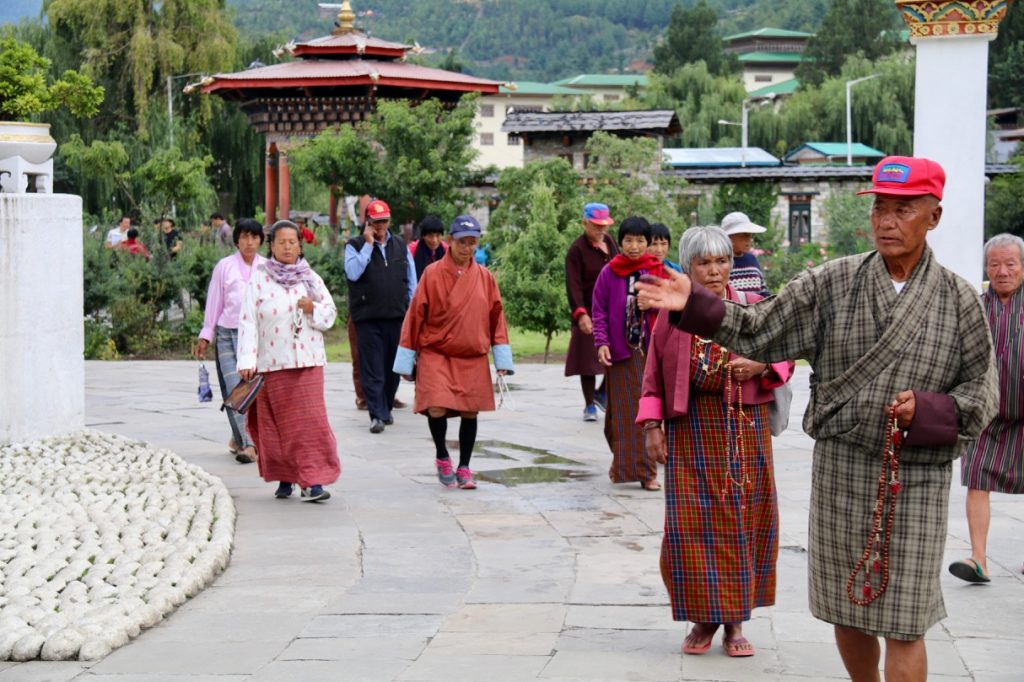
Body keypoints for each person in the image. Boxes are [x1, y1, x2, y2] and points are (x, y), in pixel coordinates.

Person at [635, 156, 998, 681]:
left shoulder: (961, 301)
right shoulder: (833, 282)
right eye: (879, 208)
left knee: (906, 621)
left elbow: (982, 394)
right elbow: (762, 328)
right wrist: (697, 304)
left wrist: (930, 411)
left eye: (903, 210)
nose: (886, 221)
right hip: (842, 470)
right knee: (847, 611)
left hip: (914, 475)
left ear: (934, 217)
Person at [638, 225, 794, 657]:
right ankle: (703, 618)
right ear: (687, 267)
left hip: (746, 428)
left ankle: (735, 622)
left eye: (722, 260)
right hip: (692, 430)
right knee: (692, 527)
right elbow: (652, 376)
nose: (714, 270)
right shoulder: (673, 314)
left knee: (744, 522)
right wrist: (652, 427)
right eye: (703, 263)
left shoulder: (753, 306)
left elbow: (784, 353)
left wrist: (762, 364)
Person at [393, 215, 514, 490]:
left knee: (470, 411)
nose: (467, 248)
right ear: (451, 241)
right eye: (462, 242)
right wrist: (406, 359)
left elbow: (497, 317)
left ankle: (465, 467)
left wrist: (501, 359)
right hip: (436, 352)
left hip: (472, 354)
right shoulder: (433, 273)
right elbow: (415, 315)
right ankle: (442, 455)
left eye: (472, 243)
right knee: (435, 406)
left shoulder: (485, 277)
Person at [237, 220, 340, 502]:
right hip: (272, 364)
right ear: (271, 246)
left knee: (310, 424)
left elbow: (330, 314)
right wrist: (247, 359)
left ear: (299, 245)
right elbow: (247, 321)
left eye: (292, 242)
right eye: (281, 242)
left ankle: (312, 481)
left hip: (308, 362)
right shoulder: (259, 278)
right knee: (278, 425)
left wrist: (312, 308)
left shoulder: (310, 278)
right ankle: (285, 475)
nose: (286, 247)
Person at [950, 233, 1024, 584]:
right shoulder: (976, 307)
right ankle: (978, 559)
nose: (1003, 271)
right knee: (977, 478)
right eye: (995, 264)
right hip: (986, 410)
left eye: (1010, 263)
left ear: (1022, 266)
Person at [591, 216, 663, 491]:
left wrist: (653, 302)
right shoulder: (610, 272)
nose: (634, 246)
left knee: (643, 411)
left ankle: (647, 473)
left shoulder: (656, 270)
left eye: (640, 240)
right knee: (619, 414)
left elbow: (672, 306)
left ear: (648, 243)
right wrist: (602, 343)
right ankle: (623, 462)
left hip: (650, 350)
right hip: (621, 351)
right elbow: (599, 310)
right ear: (620, 242)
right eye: (629, 240)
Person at [194, 218, 267, 464]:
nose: (249, 242)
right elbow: (214, 303)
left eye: (254, 237)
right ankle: (248, 444)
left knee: (251, 391)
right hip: (227, 333)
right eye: (245, 237)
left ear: (260, 240)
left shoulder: (267, 268)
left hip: (256, 337)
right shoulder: (224, 267)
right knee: (235, 388)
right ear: (236, 240)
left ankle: (241, 438)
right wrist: (206, 335)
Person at [345, 199, 417, 433]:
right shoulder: (354, 245)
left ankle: (385, 407)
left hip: (396, 316)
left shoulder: (400, 246)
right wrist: (368, 245)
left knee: (392, 368)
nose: (380, 227)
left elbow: (411, 282)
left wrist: (413, 310)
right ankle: (376, 414)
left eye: (384, 221)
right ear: (367, 222)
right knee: (372, 367)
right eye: (375, 222)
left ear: (389, 220)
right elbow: (353, 273)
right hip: (367, 318)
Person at [565, 202, 619, 422]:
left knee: (617, 354)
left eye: (604, 225)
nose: (601, 230)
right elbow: (573, 284)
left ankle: (602, 392)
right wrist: (580, 314)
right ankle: (589, 404)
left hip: (611, 309)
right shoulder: (576, 250)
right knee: (587, 359)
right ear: (584, 223)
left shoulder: (611, 242)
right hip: (588, 311)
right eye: (596, 225)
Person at [721, 211, 770, 298]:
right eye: (744, 236)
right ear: (729, 238)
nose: (750, 240)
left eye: (750, 235)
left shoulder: (752, 259)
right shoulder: (721, 263)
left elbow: (763, 291)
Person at [408, 215, 448, 279]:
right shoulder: (412, 249)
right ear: (423, 236)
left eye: (438, 235)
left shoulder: (446, 249)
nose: (434, 240)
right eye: (430, 236)